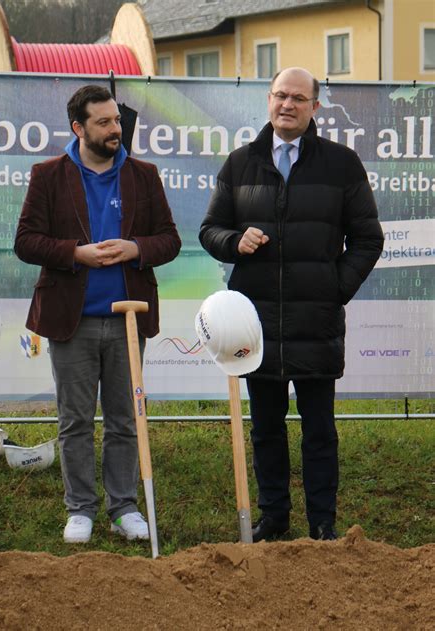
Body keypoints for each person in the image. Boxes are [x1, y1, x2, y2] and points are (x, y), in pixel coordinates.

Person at [199, 67, 383, 542]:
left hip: (316, 322)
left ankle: (323, 524)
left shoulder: (341, 165)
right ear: (268, 100)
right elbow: (209, 230)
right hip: (254, 325)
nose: (288, 105)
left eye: (299, 98)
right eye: (281, 95)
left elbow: (367, 239)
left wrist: (332, 289)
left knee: (319, 430)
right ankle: (274, 519)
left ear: (315, 108)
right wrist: (234, 241)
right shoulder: (240, 163)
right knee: (265, 429)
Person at [15, 85, 181, 544]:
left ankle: (123, 506)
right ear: (78, 128)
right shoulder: (48, 175)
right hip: (73, 320)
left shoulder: (144, 175)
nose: (116, 129)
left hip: (129, 319)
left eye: (117, 120)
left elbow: (169, 239)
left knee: (125, 418)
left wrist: (136, 248)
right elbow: (26, 240)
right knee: (74, 420)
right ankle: (81, 509)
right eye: (104, 122)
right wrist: (75, 253)